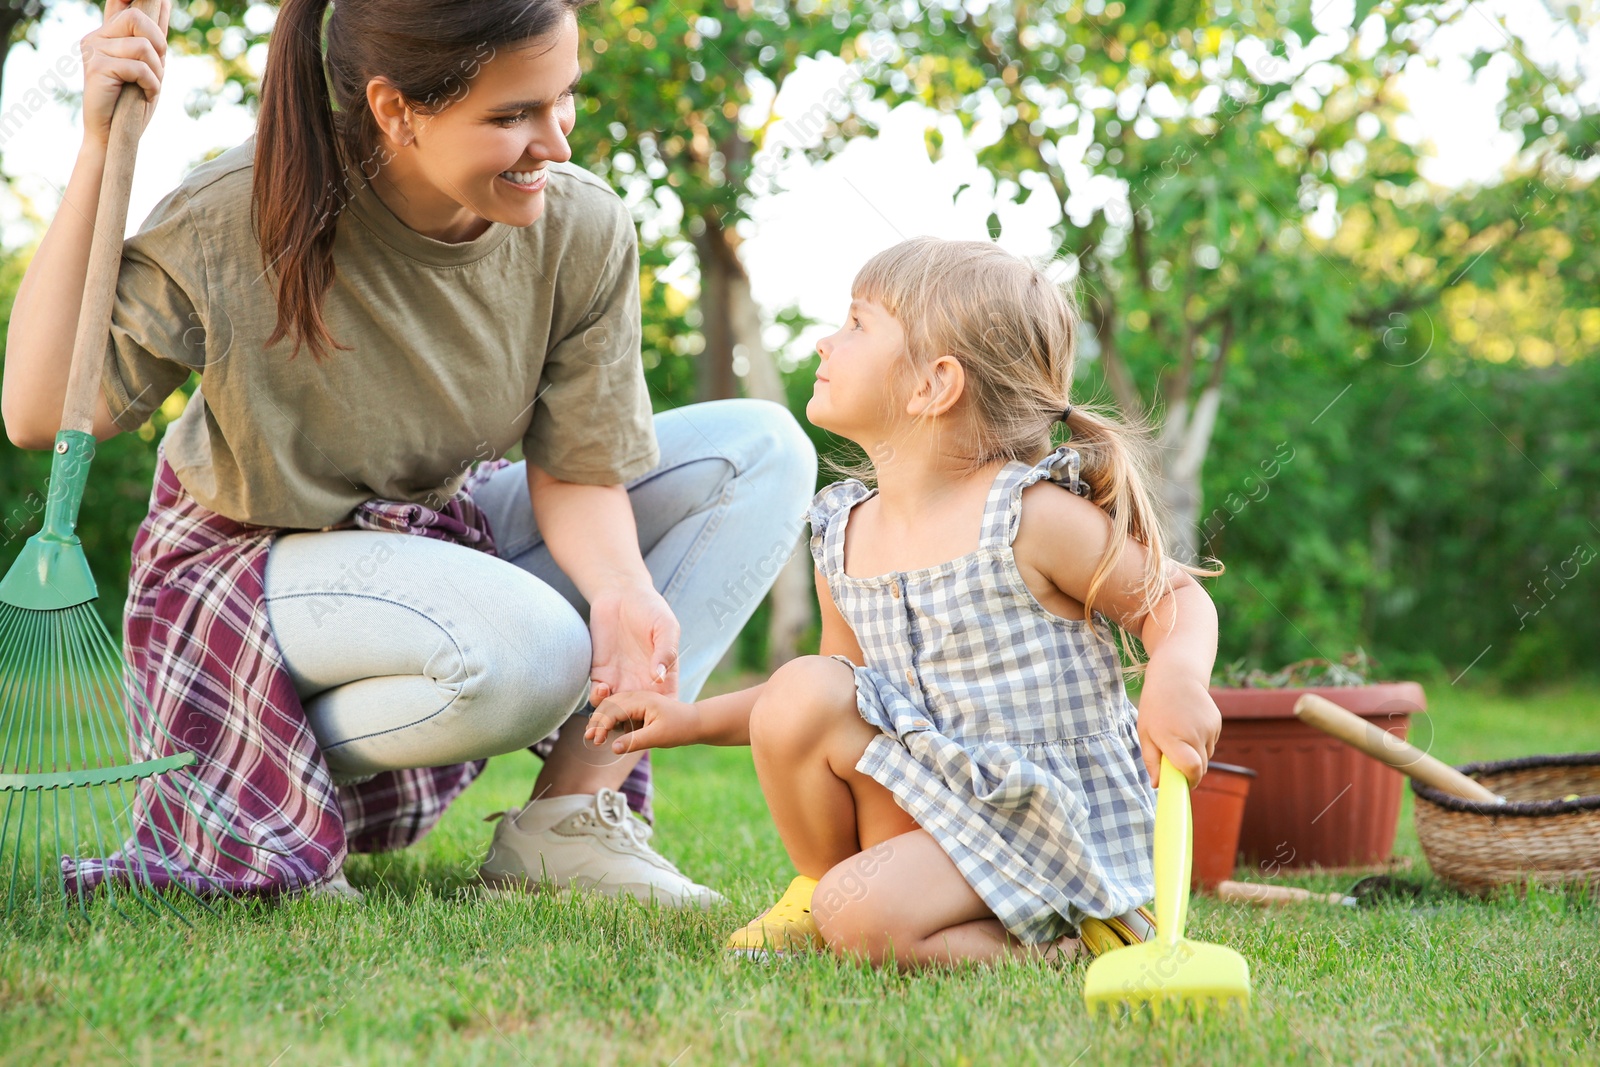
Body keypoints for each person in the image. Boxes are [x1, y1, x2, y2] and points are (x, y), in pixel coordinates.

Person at [1, 0, 815, 905]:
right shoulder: (235, 212)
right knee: (537, 649)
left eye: (563, 100)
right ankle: (257, 770)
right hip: (246, 574)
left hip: (435, 543)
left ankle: (567, 822)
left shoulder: (579, 228)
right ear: (395, 109)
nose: (555, 142)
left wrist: (623, 589)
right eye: (511, 116)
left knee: (765, 449)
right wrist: (96, 146)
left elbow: (580, 466)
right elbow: (41, 412)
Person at [583, 236, 1226, 968]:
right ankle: (820, 886)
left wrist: (1175, 678)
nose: (826, 342)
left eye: (856, 324)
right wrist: (692, 719)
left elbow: (1171, 596)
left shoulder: (1029, 517)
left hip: (1043, 821)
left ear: (933, 385)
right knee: (807, 688)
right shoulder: (842, 530)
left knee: (861, 918)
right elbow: (835, 695)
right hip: (936, 800)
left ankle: (1076, 939)